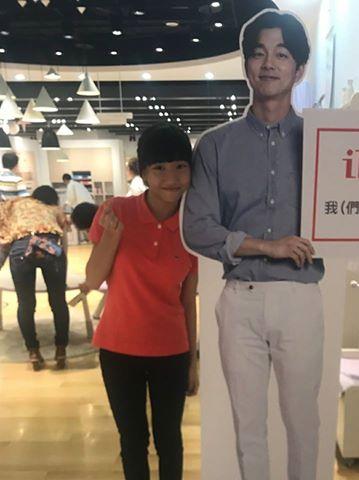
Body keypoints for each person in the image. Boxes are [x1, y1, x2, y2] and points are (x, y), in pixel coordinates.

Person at [183, 10, 323, 480]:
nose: (269, 63)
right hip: (240, 300)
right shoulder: (215, 145)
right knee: (248, 426)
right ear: (245, 64)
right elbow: (197, 228)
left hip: (301, 298)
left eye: (281, 54)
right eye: (259, 53)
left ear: (298, 69)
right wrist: (268, 246)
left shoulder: (323, 143)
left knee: (303, 423)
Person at [84, 122, 199, 480]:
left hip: (171, 351)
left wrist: (193, 361)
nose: (171, 178)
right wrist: (111, 238)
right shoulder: (116, 210)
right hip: (119, 349)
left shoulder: (194, 225)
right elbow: (93, 280)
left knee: (169, 439)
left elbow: (188, 299)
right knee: (132, 439)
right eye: (159, 168)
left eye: (180, 166)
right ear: (144, 173)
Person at [0, 185, 70, 370]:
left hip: (21, 247)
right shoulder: (55, 209)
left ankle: (33, 352)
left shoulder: (14, 205)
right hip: (50, 246)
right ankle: (61, 350)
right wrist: (62, 264)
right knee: (58, 302)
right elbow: (63, 239)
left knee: (25, 304)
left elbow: (3, 236)